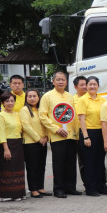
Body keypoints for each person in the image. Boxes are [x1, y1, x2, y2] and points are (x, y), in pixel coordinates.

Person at [39, 70, 80, 198]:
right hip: (57, 135)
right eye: (58, 79)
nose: (61, 82)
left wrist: (76, 134)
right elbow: (43, 116)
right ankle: (59, 189)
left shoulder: (70, 96)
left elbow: (73, 116)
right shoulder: (47, 96)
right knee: (59, 163)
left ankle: (71, 187)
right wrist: (55, 129)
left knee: (71, 162)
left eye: (63, 80)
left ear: (66, 82)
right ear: (53, 81)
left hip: (71, 135)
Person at [75, 76, 107, 196]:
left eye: (95, 84)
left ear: (98, 86)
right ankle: (90, 188)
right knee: (89, 162)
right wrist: (86, 137)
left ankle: (100, 186)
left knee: (100, 161)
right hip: (88, 132)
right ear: (86, 86)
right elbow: (81, 120)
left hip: (100, 132)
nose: (92, 86)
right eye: (90, 84)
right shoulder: (82, 100)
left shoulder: (102, 100)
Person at [20, 89, 50, 198]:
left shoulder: (40, 109)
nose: (32, 98)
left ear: (38, 97)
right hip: (30, 143)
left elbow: (45, 123)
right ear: (26, 98)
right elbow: (26, 126)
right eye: (30, 96)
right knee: (32, 167)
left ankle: (40, 187)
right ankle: (33, 189)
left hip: (43, 142)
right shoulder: (24, 110)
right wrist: (38, 139)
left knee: (41, 166)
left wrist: (46, 136)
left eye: (34, 96)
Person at [0, 91, 26, 201]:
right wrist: (6, 148)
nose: (10, 103)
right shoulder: (0, 115)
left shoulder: (17, 114)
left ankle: (19, 192)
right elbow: (1, 133)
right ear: (3, 103)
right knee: (8, 168)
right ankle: (9, 194)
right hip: (7, 143)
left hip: (18, 143)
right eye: (7, 101)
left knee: (18, 168)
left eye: (12, 101)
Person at [72, 75, 88, 190]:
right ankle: (86, 183)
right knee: (82, 161)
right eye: (81, 85)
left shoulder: (91, 97)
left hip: (91, 132)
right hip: (77, 134)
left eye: (85, 84)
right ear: (75, 87)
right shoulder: (71, 100)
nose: (84, 87)